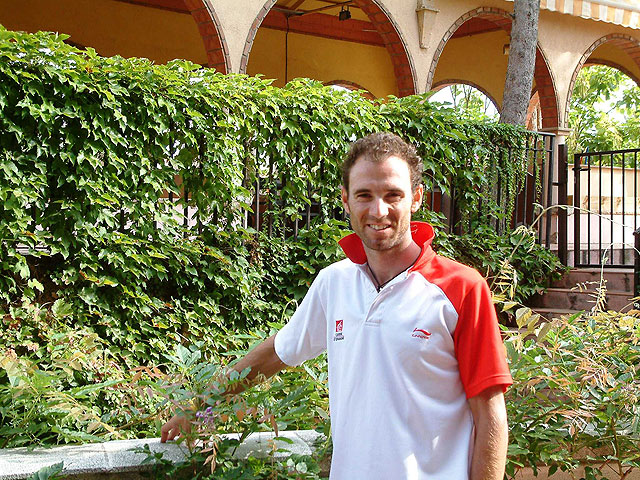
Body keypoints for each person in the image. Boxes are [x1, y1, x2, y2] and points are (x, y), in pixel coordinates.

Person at [161, 132, 512, 479]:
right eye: (364, 195)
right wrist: (199, 407)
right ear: (345, 200)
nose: (379, 210)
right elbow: (274, 354)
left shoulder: (461, 288)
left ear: (416, 198)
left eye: (393, 195)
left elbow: (490, 415)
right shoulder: (335, 282)